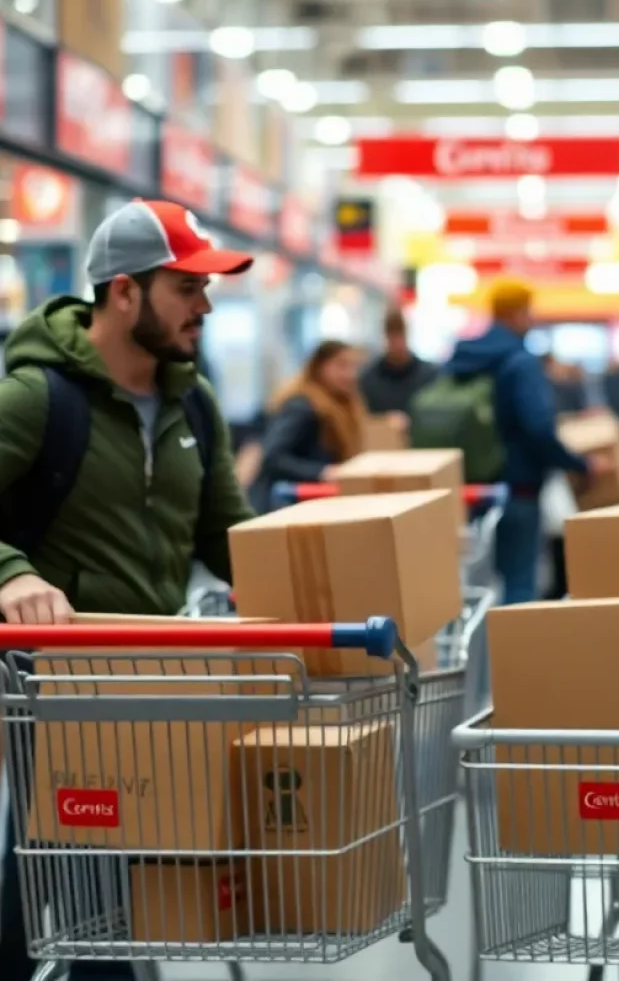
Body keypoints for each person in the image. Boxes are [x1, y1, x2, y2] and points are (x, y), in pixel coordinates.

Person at [0, 198, 255, 981]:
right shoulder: (38, 398)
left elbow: (228, 536)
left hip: (157, 680)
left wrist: (319, 576)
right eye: (186, 287)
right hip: (55, 684)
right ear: (124, 292)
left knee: (74, 880)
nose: (204, 307)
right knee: (91, 889)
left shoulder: (194, 405)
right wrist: (13, 574)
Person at [445, 280, 610, 604]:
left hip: (470, 488)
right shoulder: (521, 362)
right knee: (519, 583)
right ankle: (512, 655)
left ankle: (476, 655)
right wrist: (582, 464)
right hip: (518, 489)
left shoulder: (460, 359)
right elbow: (538, 428)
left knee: (470, 587)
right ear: (518, 313)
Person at [249, 340, 366, 512]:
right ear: (319, 367)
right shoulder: (303, 406)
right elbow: (272, 457)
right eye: (341, 366)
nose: (350, 374)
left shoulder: (341, 405)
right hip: (287, 504)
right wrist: (321, 471)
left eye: (353, 367)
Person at [359, 307, 437, 426]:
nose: (397, 342)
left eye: (400, 335)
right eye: (392, 336)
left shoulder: (430, 375)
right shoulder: (368, 379)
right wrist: (384, 421)